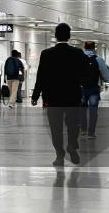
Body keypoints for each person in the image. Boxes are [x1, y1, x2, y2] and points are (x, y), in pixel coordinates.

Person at [32, 23, 88, 166]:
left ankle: (59, 155)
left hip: (53, 98)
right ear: (69, 36)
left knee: (55, 127)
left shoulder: (46, 54)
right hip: (73, 96)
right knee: (73, 124)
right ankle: (72, 145)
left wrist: (35, 95)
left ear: (55, 36)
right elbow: (85, 75)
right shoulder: (78, 53)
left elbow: (41, 76)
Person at [81, 41, 109, 139]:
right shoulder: (99, 60)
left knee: (82, 110)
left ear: (84, 47)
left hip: (81, 89)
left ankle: (83, 130)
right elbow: (106, 76)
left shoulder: (78, 59)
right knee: (93, 111)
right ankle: (91, 133)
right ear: (94, 48)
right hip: (93, 89)